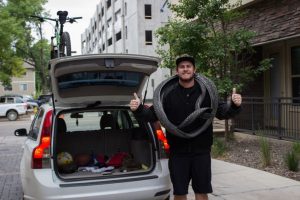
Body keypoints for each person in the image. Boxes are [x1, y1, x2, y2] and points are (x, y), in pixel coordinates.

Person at [130, 55, 242, 200]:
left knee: (202, 192)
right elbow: (152, 115)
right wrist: (138, 109)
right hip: (178, 152)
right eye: (182, 67)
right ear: (177, 71)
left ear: (194, 70)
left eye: (188, 66)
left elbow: (221, 112)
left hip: (201, 151)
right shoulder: (166, 95)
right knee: (179, 192)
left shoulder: (208, 94)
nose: (185, 69)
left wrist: (234, 105)